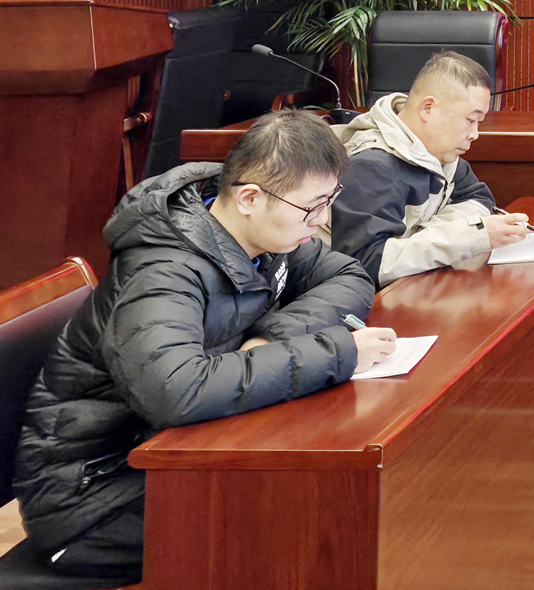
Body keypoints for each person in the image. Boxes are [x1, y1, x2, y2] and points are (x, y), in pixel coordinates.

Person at [11, 111, 394, 582]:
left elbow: (348, 276)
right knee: (310, 520)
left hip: (178, 453)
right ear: (250, 198)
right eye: (311, 208)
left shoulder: (270, 235)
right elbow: (175, 392)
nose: (322, 221)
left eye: (329, 201)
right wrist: (336, 352)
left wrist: (270, 339)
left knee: (331, 502)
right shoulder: (163, 272)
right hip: (96, 496)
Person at [327, 49, 529, 285]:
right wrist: (466, 236)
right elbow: (366, 264)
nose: (475, 134)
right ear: (428, 108)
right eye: (470, 120)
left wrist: (429, 236)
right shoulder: (371, 167)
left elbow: (479, 199)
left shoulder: (439, 153)